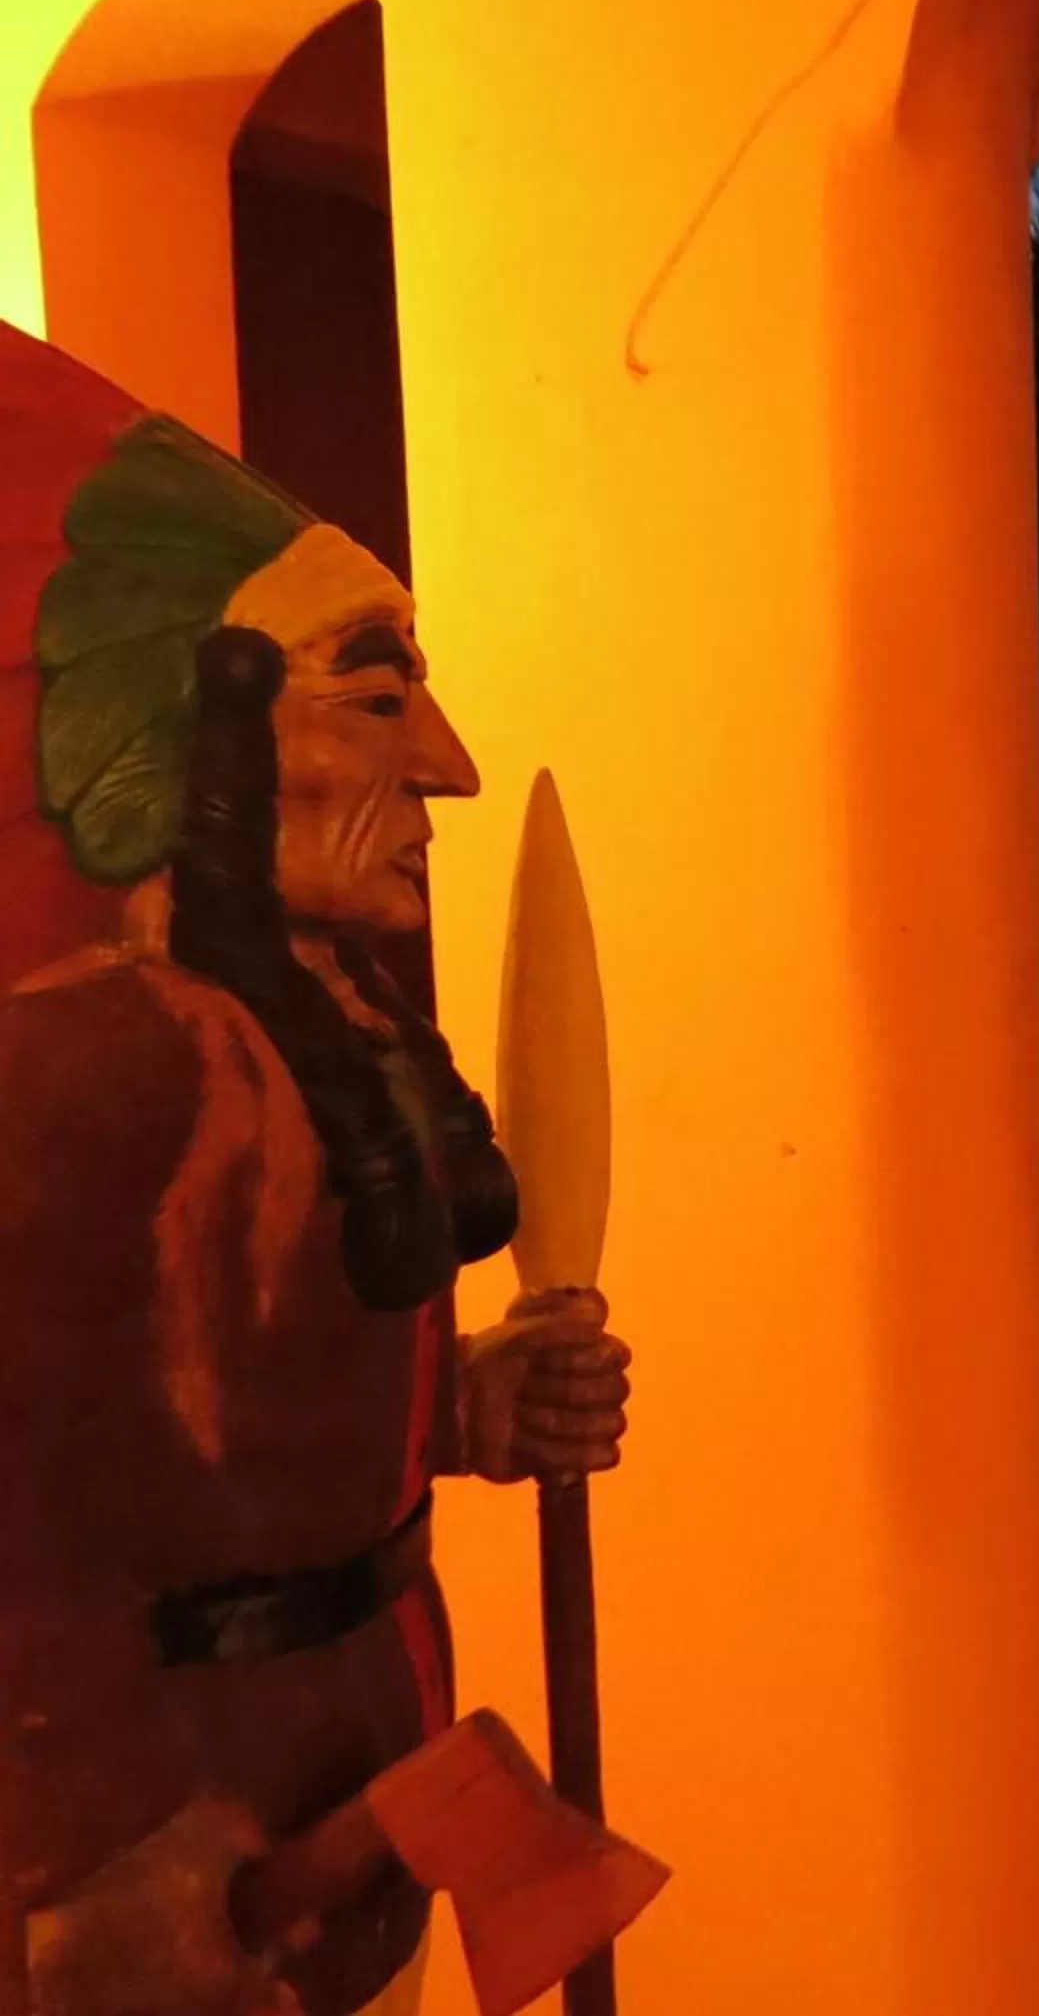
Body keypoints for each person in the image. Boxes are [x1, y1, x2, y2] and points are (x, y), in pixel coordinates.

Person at [0, 323, 630, 2015]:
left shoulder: (323, 1024)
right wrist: (86, 1884)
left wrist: (466, 1411)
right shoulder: (94, 1070)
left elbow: (209, 1417)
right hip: (173, 1901)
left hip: (354, 1822)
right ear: (204, 734)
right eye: (374, 696)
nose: (448, 766)